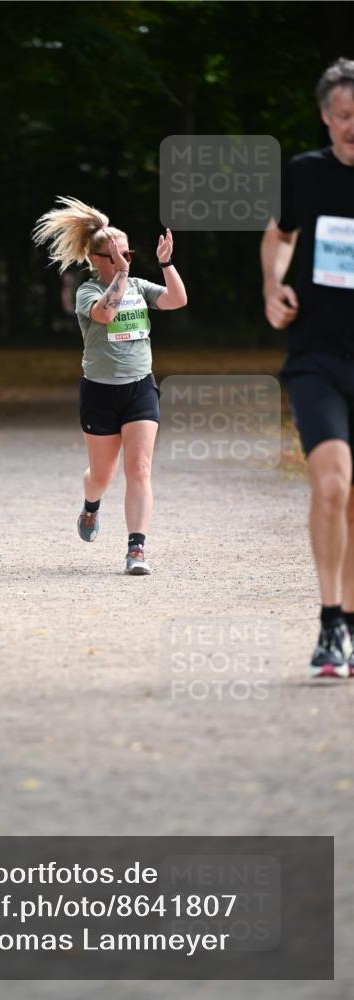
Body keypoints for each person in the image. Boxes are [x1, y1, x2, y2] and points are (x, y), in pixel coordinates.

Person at [32, 197, 187, 574]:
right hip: (100, 391)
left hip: (140, 387)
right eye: (117, 254)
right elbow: (105, 313)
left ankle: (136, 549)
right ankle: (91, 504)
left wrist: (165, 262)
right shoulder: (87, 292)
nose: (125, 260)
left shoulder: (136, 285)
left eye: (128, 253)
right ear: (97, 259)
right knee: (102, 475)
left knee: (140, 468)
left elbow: (177, 300)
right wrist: (118, 275)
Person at [261, 57, 354, 679]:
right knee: (332, 486)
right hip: (317, 356)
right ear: (326, 117)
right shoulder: (305, 173)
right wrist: (273, 285)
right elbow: (279, 232)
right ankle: (331, 625)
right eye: (345, 116)